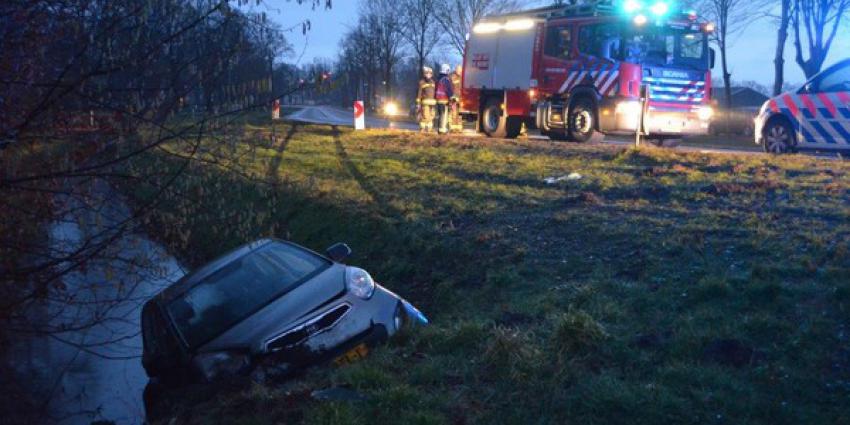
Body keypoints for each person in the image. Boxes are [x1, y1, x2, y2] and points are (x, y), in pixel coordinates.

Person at [434, 63, 454, 134]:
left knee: (440, 115)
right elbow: (448, 89)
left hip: (438, 100)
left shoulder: (438, 79)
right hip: (444, 100)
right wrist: (451, 96)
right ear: (447, 70)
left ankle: (440, 129)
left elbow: (436, 89)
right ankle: (443, 130)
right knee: (444, 115)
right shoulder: (446, 79)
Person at [416, 66, 436, 132]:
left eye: (430, 73)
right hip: (425, 101)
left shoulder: (433, 82)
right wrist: (418, 103)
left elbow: (435, 92)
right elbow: (419, 93)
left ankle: (429, 127)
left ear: (432, 74)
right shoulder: (422, 82)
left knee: (432, 115)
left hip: (432, 102)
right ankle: (423, 127)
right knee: (425, 114)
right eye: (427, 73)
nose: (428, 75)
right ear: (424, 74)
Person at [449, 65, 463, 133]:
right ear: (456, 69)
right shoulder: (452, 77)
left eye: (460, 70)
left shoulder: (463, 77)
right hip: (454, 98)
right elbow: (450, 88)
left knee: (460, 114)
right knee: (453, 113)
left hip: (461, 98)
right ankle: (453, 128)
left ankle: (459, 128)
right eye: (458, 70)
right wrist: (451, 96)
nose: (459, 71)